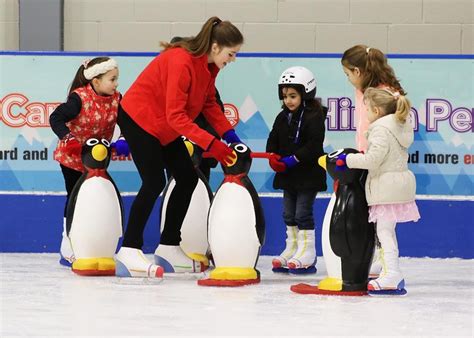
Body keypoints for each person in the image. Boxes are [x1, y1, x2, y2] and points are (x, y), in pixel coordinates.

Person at [115, 16, 244, 277]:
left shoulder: (209, 67)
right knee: (152, 182)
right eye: (231, 53)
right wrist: (213, 145)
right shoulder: (181, 61)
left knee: (187, 178)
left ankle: (169, 246)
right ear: (216, 46)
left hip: (163, 125)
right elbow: (177, 116)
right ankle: (129, 249)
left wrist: (231, 137)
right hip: (139, 119)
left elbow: (208, 104)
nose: (233, 59)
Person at [336, 87, 420, 293]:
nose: (365, 113)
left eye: (367, 109)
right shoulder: (398, 126)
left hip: (386, 185)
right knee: (384, 230)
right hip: (396, 184)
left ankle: (393, 273)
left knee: (384, 231)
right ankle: (383, 265)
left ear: (377, 111)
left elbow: (373, 160)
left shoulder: (381, 129)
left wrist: (348, 159)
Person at [49, 57, 127, 267]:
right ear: (96, 80)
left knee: (96, 199)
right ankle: (68, 242)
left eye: (116, 78)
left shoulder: (117, 99)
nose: (116, 83)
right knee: (75, 198)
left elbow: (128, 123)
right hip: (72, 159)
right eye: (112, 79)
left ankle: (96, 242)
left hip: (98, 160)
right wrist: (69, 138)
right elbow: (55, 118)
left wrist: (122, 140)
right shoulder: (79, 99)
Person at [341, 44, 406, 277]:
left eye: (348, 74)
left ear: (358, 71)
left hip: (379, 165)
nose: (348, 79)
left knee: (384, 225)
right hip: (369, 161)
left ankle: (392, 270)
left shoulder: (383, 96)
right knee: (377, 220)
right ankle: (382, 262)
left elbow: (384, 137)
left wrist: (356, 159)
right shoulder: (364, 92)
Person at [266, 66, 327, 274]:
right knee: (288, 213)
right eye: (285, 96)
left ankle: (307, 252)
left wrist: (294, 159)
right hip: (288, 175)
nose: (288, 101)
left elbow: (314, 145)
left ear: (306, 93)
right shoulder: (282, 117)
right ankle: (292, 248)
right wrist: (272, 157)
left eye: (293, 96)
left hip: (308, 175)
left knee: (302, 212)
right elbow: (272, 138)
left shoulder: (315, 116)